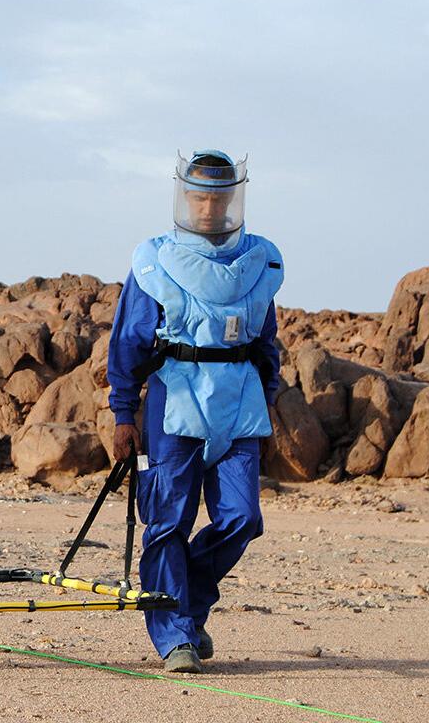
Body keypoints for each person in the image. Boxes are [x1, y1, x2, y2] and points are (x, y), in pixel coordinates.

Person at [106, 149, 283, 673]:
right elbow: (129, 342)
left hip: (240, 402)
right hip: (173, 400)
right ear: (186, 197)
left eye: (219, 197)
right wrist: (122, 414)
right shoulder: (154, 260)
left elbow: (266, 339)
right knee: (166, 523)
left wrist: (269, 402)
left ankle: (188, 600)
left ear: (234, 198)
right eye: (200, 197)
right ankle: (175, 636)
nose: (209, 208)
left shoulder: (259, 261)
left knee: (241, 518)